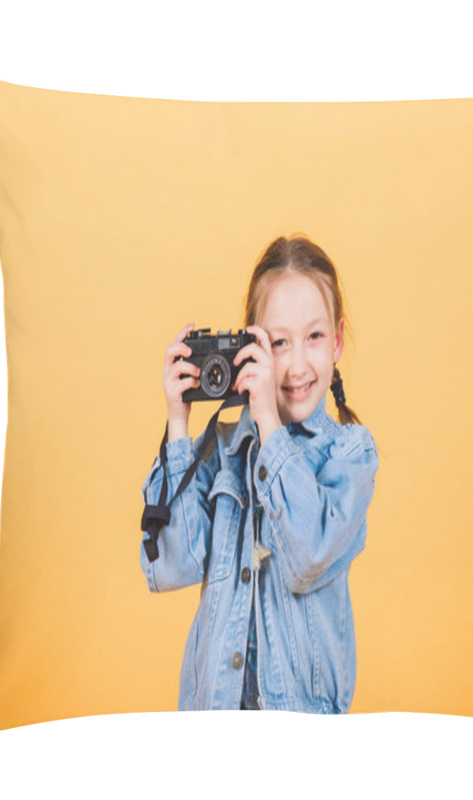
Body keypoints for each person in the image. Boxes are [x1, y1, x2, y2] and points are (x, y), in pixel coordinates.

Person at [140, 234, 379, 713]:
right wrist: (178, 423)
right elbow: (170, 567)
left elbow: (308, 554)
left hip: (302, 729)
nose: (294, 365)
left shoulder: (351, 453)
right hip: (216, 721)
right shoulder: (223, 451)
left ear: (336, 342)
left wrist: (268, 421)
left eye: (313, 338)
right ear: (252, 346)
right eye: (277, 343)